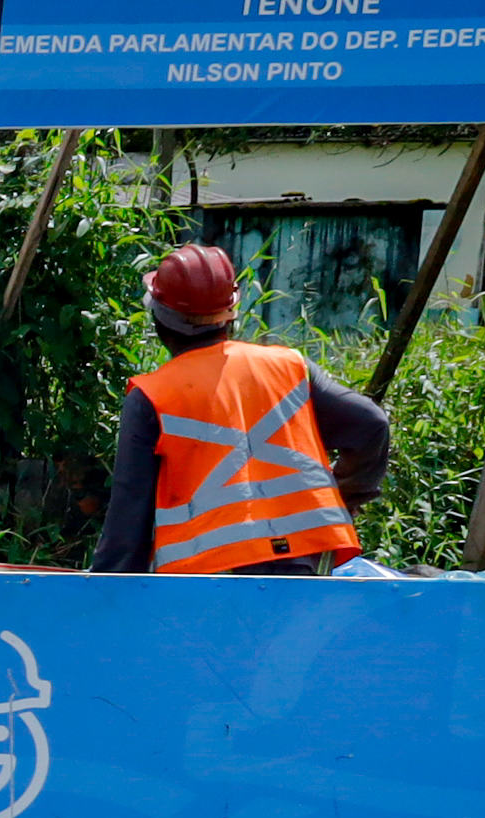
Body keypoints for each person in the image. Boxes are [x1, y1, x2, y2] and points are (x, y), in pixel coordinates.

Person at [90, 243, 393, 574]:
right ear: (231, 312)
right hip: (305, 562)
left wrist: (105, 595)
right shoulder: (289, 367)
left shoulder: (151, 395)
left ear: (159, 318)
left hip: (208, 577)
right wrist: (343, 499)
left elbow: (128, 519)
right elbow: (372, 425)